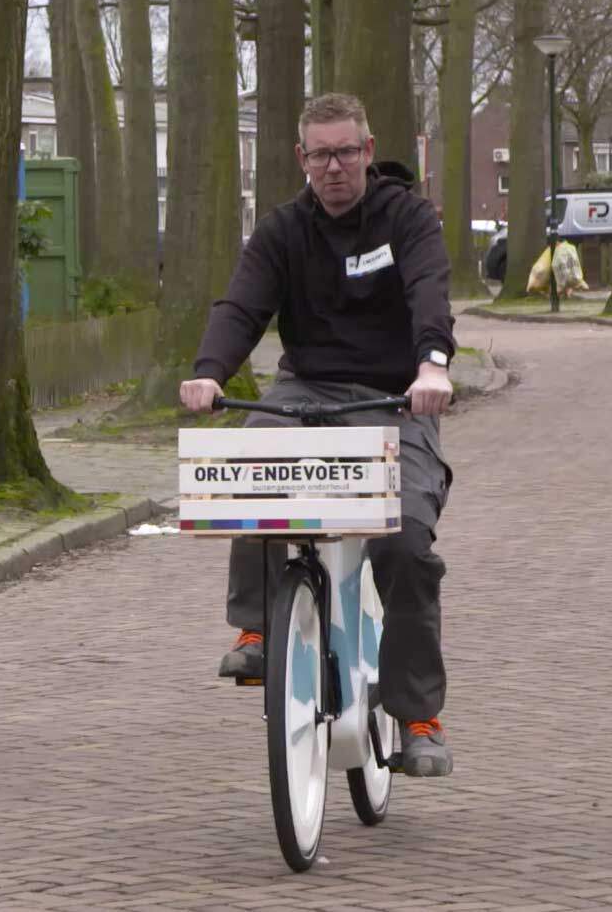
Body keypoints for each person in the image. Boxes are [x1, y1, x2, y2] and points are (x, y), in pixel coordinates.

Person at [178, 92, 457, 778]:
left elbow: (429, 290)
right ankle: (257, 627)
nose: (336, 166)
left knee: (407, 540)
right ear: (302, 159)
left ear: (368, 149)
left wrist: (432, 364)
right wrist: (209, 372)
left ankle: (418, 714)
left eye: (347, 151)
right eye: (321, 154)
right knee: (244, 465)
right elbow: (241, 304)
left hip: (395, 395)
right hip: (308, 389)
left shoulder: (408, 219)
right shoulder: (282, 230)